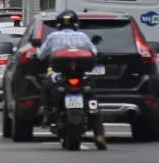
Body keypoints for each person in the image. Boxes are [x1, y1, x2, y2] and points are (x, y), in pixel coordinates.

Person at [36, 10, 106, 150]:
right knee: (93, 103)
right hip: (81, 76)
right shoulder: (82, 36)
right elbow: (94, 52)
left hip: (59, 75)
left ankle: (46, 113)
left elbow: (41, 55)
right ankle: (99, 135)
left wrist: (37, 50)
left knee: (45, 87)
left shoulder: (53, 36)